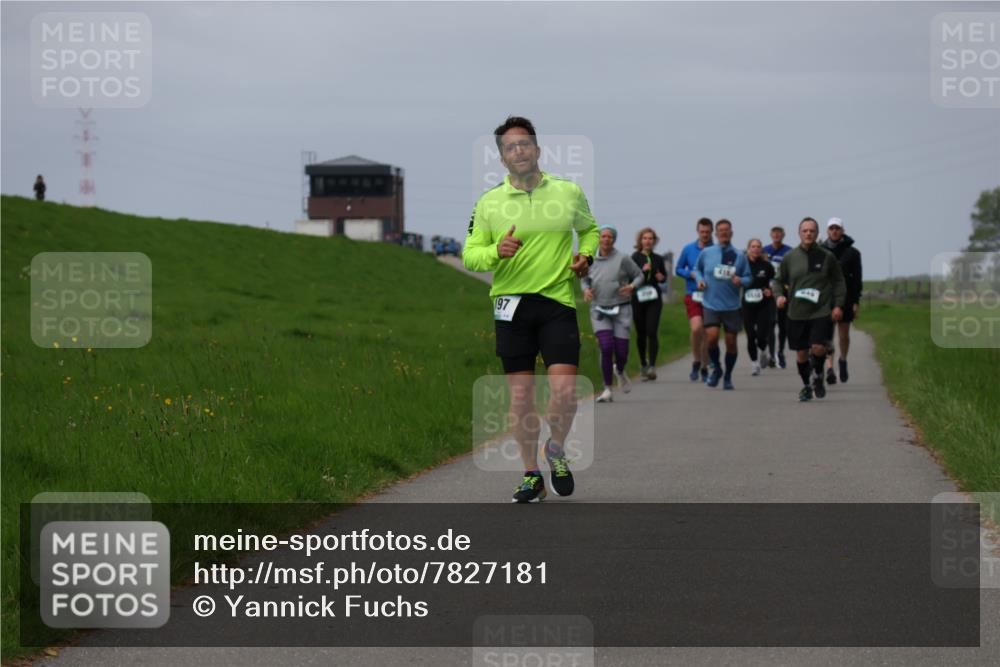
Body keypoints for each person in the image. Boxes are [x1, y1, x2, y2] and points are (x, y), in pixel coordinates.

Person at [463, 116, 598, 503]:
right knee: (521, 400)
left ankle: (555, 449)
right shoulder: (488, 203)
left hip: (556, 302)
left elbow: (589, 230)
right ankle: (531, 475)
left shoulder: (568, 192)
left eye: (524, 144)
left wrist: (586, 256)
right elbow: (470, 255)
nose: (518, 151)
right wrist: (496, 250)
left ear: (537, 149)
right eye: (510, 147)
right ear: (502, 158)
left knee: (565, 392)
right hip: (512, 307)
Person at [774, 217, 847, 402]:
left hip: (820, 311)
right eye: (805, 231)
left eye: (812, 231)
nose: (808, 234)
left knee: (818, 347)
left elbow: (839, 281)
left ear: (817, 233)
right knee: (801, 354)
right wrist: (779, 296)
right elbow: (778, 280)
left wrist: (838, 305)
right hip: (796, 312)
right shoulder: (790, 257)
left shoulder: (827, 256)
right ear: (799, 233)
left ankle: (818, 374)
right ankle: (808, 384)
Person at [583, 226, 643, 401]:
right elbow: (584, 279)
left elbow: (639, 275)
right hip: (599, 308)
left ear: (614, 240)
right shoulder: (590, 259)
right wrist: (586, 289)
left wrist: (631, 286)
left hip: (621, 308)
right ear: (599, 239)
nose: (606, 239)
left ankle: (620, 370)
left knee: (622, 351)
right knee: (606, 346)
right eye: (603, 236)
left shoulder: (623, 258)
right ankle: (607, 388)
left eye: (610, 237)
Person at [691, 219, 752, 390]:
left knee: (731, 342)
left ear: (731, 233)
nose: (724, 233)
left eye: (727, 230)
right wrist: (700, 280)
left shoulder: (739, 255)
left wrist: (741, 280)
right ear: (716, 234)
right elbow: (696, 269)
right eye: (721, 230)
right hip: (711, 304)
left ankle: (728, 376)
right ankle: (717, 368)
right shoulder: (707, 252)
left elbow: (749, 277)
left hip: (732, 306)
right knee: (711, 337)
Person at [822, 218, 862, 384]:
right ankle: (830, 368)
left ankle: (843, 360)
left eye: (837, 228)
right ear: (827, 231)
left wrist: (856, 302)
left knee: (843, 334)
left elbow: (857, 279)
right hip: (826, 298)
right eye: (831, 228)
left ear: (842, 231)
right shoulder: (821, 251)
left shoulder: (852, 253)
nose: (834, 231)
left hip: (846, 297)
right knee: (827, 335)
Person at [675, 218, 714, 382]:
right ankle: (696, 360)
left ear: (712, 232)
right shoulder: (688, 249)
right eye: (702, 232)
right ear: (698, 231)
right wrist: (690, 274)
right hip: (693, 294)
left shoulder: (716, 250)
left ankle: (704, 366)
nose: (704, 235)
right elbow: (678, 269)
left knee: (706, 334)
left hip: (711, 296)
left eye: (707, 232)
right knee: (697, 328)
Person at [630, 227, 667, 381]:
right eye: (645, 238)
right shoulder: (634, 257)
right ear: (640, 241)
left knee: (652, 331)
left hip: (654, 299)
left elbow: (664, 277)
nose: (648, 241)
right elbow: (630, 278)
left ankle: (652, 366)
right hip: (638, 298)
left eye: (650, 238)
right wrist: (643, 270)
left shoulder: (658, 258)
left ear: (654, 241)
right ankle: (643, 364)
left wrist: (661, 278)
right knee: (641, 333)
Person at [742, 238, 776, 376]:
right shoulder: (743, 265)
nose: (755, 249)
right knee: (751, 335)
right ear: (748, 249)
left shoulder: (767, 266)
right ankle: (754, 364)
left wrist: (770, 290)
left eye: (758, 247)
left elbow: (774, 281)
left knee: (762, 335)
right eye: (753, 246)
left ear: (761, 249)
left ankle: (763, 350)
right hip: (747, 305)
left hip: (763, 304)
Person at [764, 226, 792, 368]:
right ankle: (771, 354)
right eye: (774, 233)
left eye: (779, 233)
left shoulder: (789, 251)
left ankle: (780, 351)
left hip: (783, 292)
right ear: (770, 234)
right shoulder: (764, 251)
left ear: (783, 235)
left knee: (783, 325)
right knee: (770, 324)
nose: (776, 235)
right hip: (768, 293)